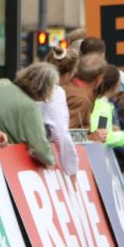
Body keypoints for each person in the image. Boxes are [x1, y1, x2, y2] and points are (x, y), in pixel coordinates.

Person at [0, 63, 57, 168]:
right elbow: (40, 148)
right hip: (1, 162)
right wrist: (51, 162)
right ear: (46, 88)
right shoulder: (30, 107)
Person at [43, 47, 80, 175]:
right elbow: (60, 134)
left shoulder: (31, 84)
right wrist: (71, 169)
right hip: (41, 157)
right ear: (69, 74)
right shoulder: (55, 91)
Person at [64, 53, 106, 129]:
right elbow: (65, 134)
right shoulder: (80, 99)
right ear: (100, 79)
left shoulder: (66, 87)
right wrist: (91, 137)